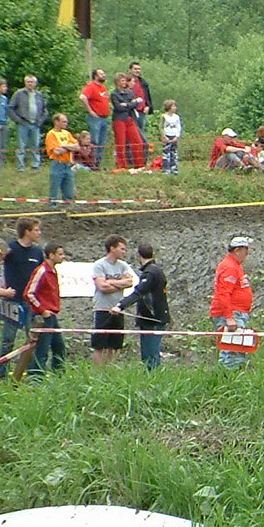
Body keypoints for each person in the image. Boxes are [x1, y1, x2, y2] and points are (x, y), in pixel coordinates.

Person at [0, 217, 44, 377]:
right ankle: (1, 374)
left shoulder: (38, 252)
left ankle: (30, 374)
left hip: (30, 301)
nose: (39, 233)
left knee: (32, 338)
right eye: (36, 230)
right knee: (8, 339)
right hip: (12, 300)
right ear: (27, 231)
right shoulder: (11, 249)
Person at [119, 242, 170, 370]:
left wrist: (120, 306)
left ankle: (153, 378)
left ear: (138, 255)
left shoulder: (150, 273)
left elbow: (139, 292)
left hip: (152, 318)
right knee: (149, 353)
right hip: (153, 317)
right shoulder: (155, 270)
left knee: (150, 354)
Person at [89, 235, 138, 366]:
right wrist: (118, 283)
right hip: (103, 308)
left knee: (115, 344)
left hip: (118, 308)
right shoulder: (99, 265)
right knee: (99, 344)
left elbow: (129, 282)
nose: (124, 252)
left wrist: (111, 282)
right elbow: (102, 286)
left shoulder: (123, 266)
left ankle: (110, 369)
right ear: (112, 248)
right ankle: (98, 371)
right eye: (122, 249)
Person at [211, 235, 255, 369]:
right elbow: (223, 293)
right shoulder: (230, 267)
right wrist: (229, 318)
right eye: (245, 250)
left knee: (237, 349)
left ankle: (230, 377)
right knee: (232, 350)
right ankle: (228, 378)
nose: (247, 254)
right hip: (232, 314)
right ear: (237, 250)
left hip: (237, 313)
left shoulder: (235, 266)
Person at [23, 243, 67, 374]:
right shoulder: (42, 270)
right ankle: (35, 378)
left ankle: (58, 374)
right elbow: (29, 293)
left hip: (51, 315)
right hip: (43, 316)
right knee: (41, 349)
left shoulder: (52, 271)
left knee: (59, 347)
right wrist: (42, 310)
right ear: (51, 255)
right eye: (60, 254)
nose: (63, 257)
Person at [9, 74, 49, 170]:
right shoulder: (18, 94)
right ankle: (20, 167)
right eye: (28, 82)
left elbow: (45, 110)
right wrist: (18, 120)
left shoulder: (39, 95)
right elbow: (10, 108)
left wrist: (40, 121)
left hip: (35, 123)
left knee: (35, 145)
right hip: (23, 123)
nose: (30, 84)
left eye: (32, 82)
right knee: (21, 145)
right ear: (25, 82)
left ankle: (35, 165)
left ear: (35, 83)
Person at [109, 72, 147, 170]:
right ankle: (122, 165)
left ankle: (139, 164)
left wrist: (126, 104)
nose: (125, 82)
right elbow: (118, 107)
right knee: (121, 143)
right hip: (119, 119)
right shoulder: (114, 94)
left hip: (129, 118)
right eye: (122, 80)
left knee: (138, 141)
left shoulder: (129, 92)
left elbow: (135, 104)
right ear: (117, 82)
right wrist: (130, 104)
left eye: (125, 80)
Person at [44, 114, 80, 207]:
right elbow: (56, 151)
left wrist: (64, 146)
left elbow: (77, 146)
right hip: (57, 164)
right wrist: (69, 147)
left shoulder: (67, 133)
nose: (66, 123)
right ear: (56, 122)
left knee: (69, 190)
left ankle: (68, 207)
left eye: (66, 121)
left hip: (68, 164)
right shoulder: (51, 134)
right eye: (64, 121)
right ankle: (52, 208)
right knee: (54, 190)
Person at [80, 67, 110, 168]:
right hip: (95, 118)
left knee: (102, 142)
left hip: (104, 118)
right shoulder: (91, 86)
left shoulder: (103, 87)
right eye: (101, 74)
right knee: (94, 141)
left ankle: (97, 163)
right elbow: (83, 97)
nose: (104, 75)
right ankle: (91, 163)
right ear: (96, 76)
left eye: (104, 73)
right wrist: (90, 111)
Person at [128, 62, 153, 143]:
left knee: (141, 133)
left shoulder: (143, 82)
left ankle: (141, 152)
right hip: (130, 112)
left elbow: (147, 96)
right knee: (131, 133)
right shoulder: (126, 82)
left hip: (141, 111)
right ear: (130, 70)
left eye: (139, 69)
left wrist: (148, 106)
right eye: (135, 69)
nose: (137, 71)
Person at [160, 100, 182, 174]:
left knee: (174, 153)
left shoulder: (176, 117)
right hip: (167, 136)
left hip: (174, 136)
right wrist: (164, 136)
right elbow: (161, 127)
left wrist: (177, 136)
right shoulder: (164, 116)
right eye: (173, 106)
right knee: (166, 153)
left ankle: (174, 168)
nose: (175, 108)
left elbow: (179, 127)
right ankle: (166, 169)